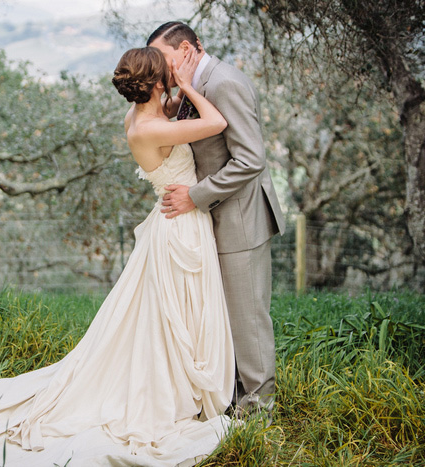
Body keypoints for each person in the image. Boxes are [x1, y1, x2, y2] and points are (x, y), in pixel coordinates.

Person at [0, 47, 236, 466]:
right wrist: (189, 84)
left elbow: (169, 116)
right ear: (156, 83)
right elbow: (217, 123)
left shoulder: (141, 117)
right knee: (172, 318)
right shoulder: (147, 129)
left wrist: (172, 95)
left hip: (173, 220)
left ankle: (178, 385)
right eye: (166, 73)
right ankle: (176, 392)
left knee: (165, 320)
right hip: (179, 228)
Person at [147, 21, 286, 418]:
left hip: (241, 217)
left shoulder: (223, 82)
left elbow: (250, 160)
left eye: (167, 60)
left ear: (189, 48)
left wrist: (195, 195)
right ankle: (232, 397)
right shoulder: (194, 83)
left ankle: (258, 411)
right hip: (218, 218)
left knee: (248, 317)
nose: (163, 70)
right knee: (227, 315)